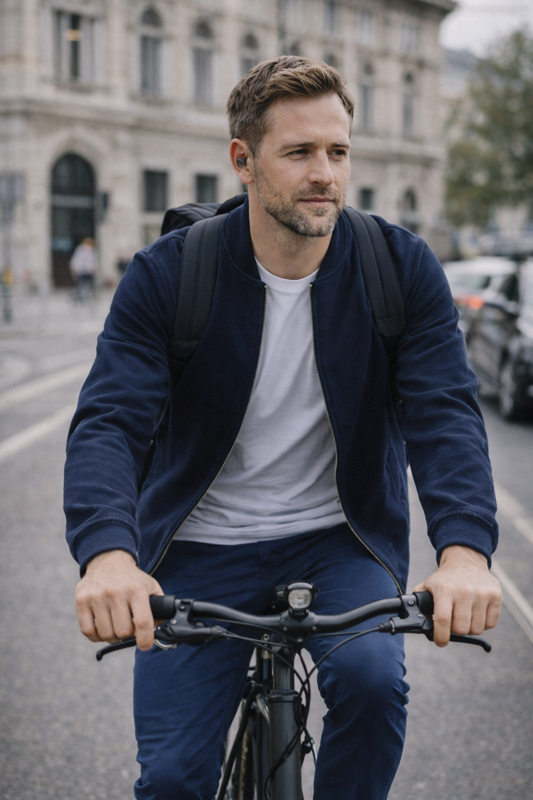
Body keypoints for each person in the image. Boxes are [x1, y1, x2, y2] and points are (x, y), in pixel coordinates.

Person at [65, 57, 502, 800]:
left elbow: (443, 414)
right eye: (298, 153)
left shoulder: (398, 268)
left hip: (339, 539)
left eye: (337, 151)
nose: (324, 174)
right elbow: (110, 421)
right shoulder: (169, 274)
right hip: (198, 545)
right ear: (243, 161)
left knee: (371, 687)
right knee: (171, 778)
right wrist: (107, 556)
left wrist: (464, 551)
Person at [69, 237, 97, 301]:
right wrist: (74, 268)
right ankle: (81, 296)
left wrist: (93, 269)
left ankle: (86, 296)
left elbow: (93, 261)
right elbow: (76, 260)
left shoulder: (93, 251)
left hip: (88, 271)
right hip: (81, 270)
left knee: (88, 284)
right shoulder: (80, 250)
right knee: (81, 284)